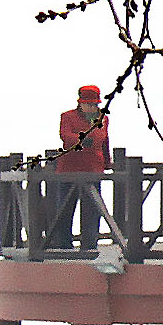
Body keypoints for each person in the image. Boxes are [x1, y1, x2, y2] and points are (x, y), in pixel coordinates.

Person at [52, 82, 110, 250]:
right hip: (69, 169)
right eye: (88, 104)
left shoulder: (103, 119)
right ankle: (64, 245)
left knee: (93, 209)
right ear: (80, 103)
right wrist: (84, 140)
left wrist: (107, 162)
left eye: (95, 104)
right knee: (65, 209)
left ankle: (90, 245)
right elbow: (65, 136)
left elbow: (104, 140)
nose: (92, 107)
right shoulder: (67, 117)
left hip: (93, 169)